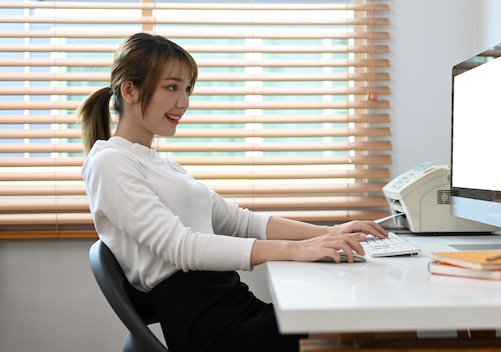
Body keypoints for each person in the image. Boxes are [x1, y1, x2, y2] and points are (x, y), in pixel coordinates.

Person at [79, 32, 388, 352]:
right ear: (130, 90)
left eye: (187, 89)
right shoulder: (109, 163)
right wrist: (296, 250)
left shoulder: (159, 163)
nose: (183, 102)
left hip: (235, 307)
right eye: (172, 87)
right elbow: (182, 248)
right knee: (363, 324)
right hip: (211, 330)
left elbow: (242, 221)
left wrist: (326, 233)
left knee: (369, 321)